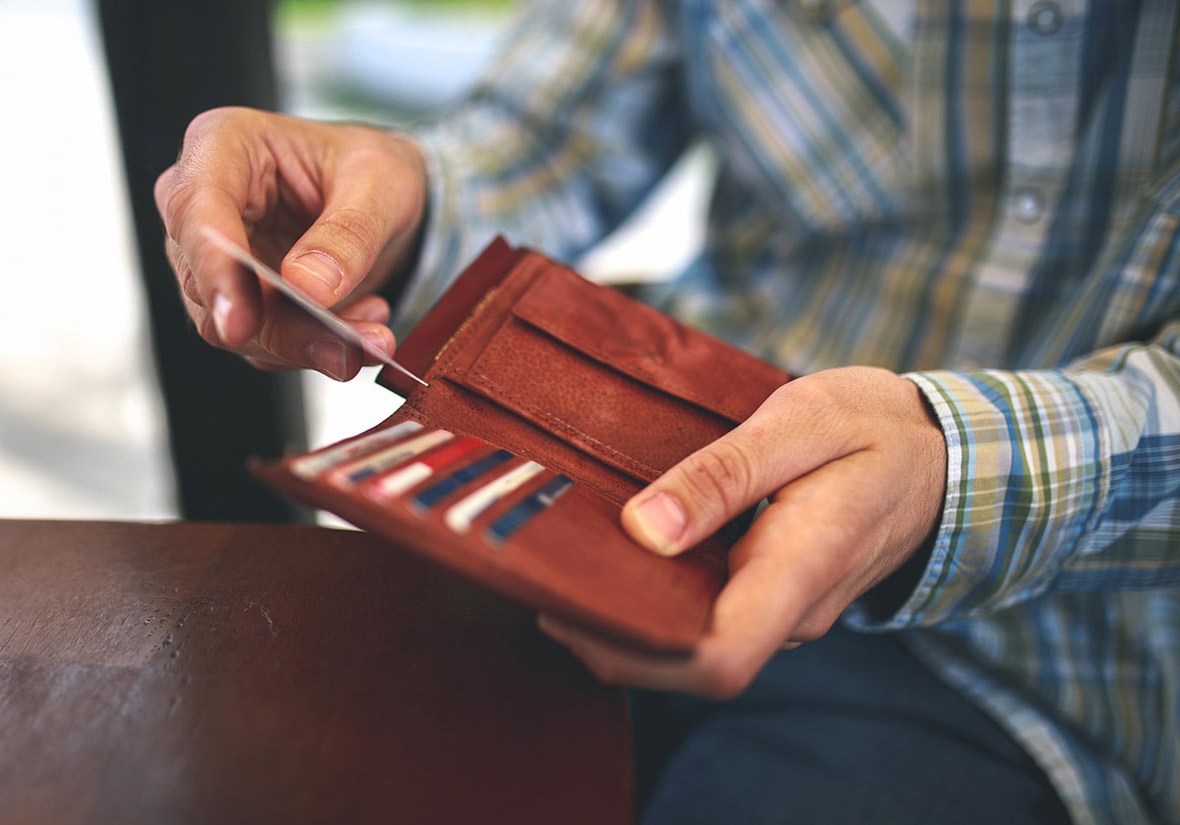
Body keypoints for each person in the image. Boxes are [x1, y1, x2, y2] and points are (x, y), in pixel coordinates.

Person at [154, 2, 1178, 823]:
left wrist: (955, 466)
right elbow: (553, 129)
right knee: (244, 760)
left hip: (1054, 660)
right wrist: (403, 199)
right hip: (630, 498)